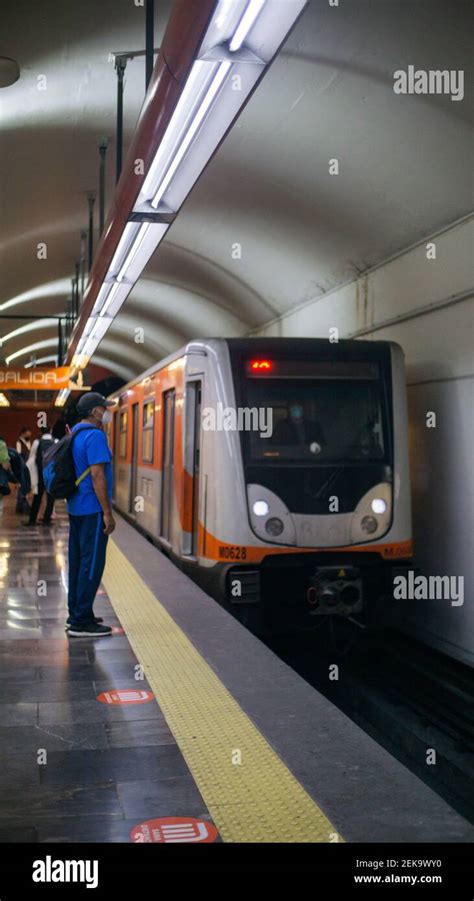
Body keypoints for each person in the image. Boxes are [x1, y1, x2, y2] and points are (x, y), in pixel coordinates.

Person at [66, 392, 116, 637]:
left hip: (75, 507)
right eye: (104, 408)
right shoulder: (95, 436)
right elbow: (97, 476)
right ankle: (81, 621)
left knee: (77, 561)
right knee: (92, 563)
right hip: (92, 509)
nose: (106, 412)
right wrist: (107, 512)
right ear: (95, 412)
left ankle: (76, 612)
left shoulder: (74, 433)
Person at [25, 426, 56, 526]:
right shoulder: (55, 441)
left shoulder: (37, 442)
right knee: (51, 497)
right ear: (50, 431)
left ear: (41, 432)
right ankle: (47, 520)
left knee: (37, 497)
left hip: (40, 473)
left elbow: (32, 458)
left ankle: (32, 520)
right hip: (52, 474)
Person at [15, 425, 32, 513]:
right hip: (22, 467)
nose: (29, 436)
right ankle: (20, 506)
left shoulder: (28, 442)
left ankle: (23, 505)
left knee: (25, 486)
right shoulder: (19, 442)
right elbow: (19, 455)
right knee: (22, 486)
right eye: (27, 434)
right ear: (22, 434)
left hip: (27, 467)